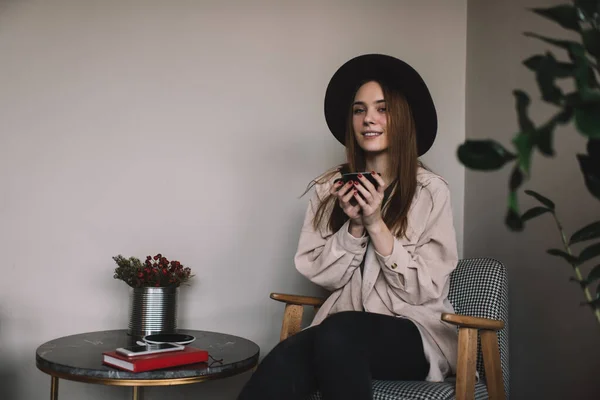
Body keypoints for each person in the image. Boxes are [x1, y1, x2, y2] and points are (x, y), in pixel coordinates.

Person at [237, 54, 459, 400]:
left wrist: (375, 223)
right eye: (359, 110)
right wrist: (354, 227)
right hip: (339, 333)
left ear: (401, 118)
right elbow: (324, 276)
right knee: (284, 357)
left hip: (415, 334)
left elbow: (424, 290)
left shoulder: (431, 191)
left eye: (382, 109)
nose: (368, 119)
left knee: (339, 331)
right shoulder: (330, 189)